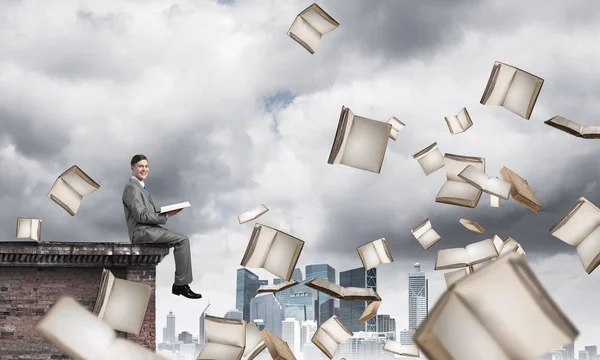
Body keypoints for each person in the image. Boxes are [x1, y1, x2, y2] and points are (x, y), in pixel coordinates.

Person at [122, 154, 202, 299]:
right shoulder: (132, 189)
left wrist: (167, 212)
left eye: (146, 166)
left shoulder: (141, 187)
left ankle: (180, 284)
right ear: (132, 168)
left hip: (149, 229)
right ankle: (180, 285)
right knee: (182, 240)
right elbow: (141, 216)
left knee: (181, 239)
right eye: (140, 166)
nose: (144, 169)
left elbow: (147, 213)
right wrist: (165, 216)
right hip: (141, 232)